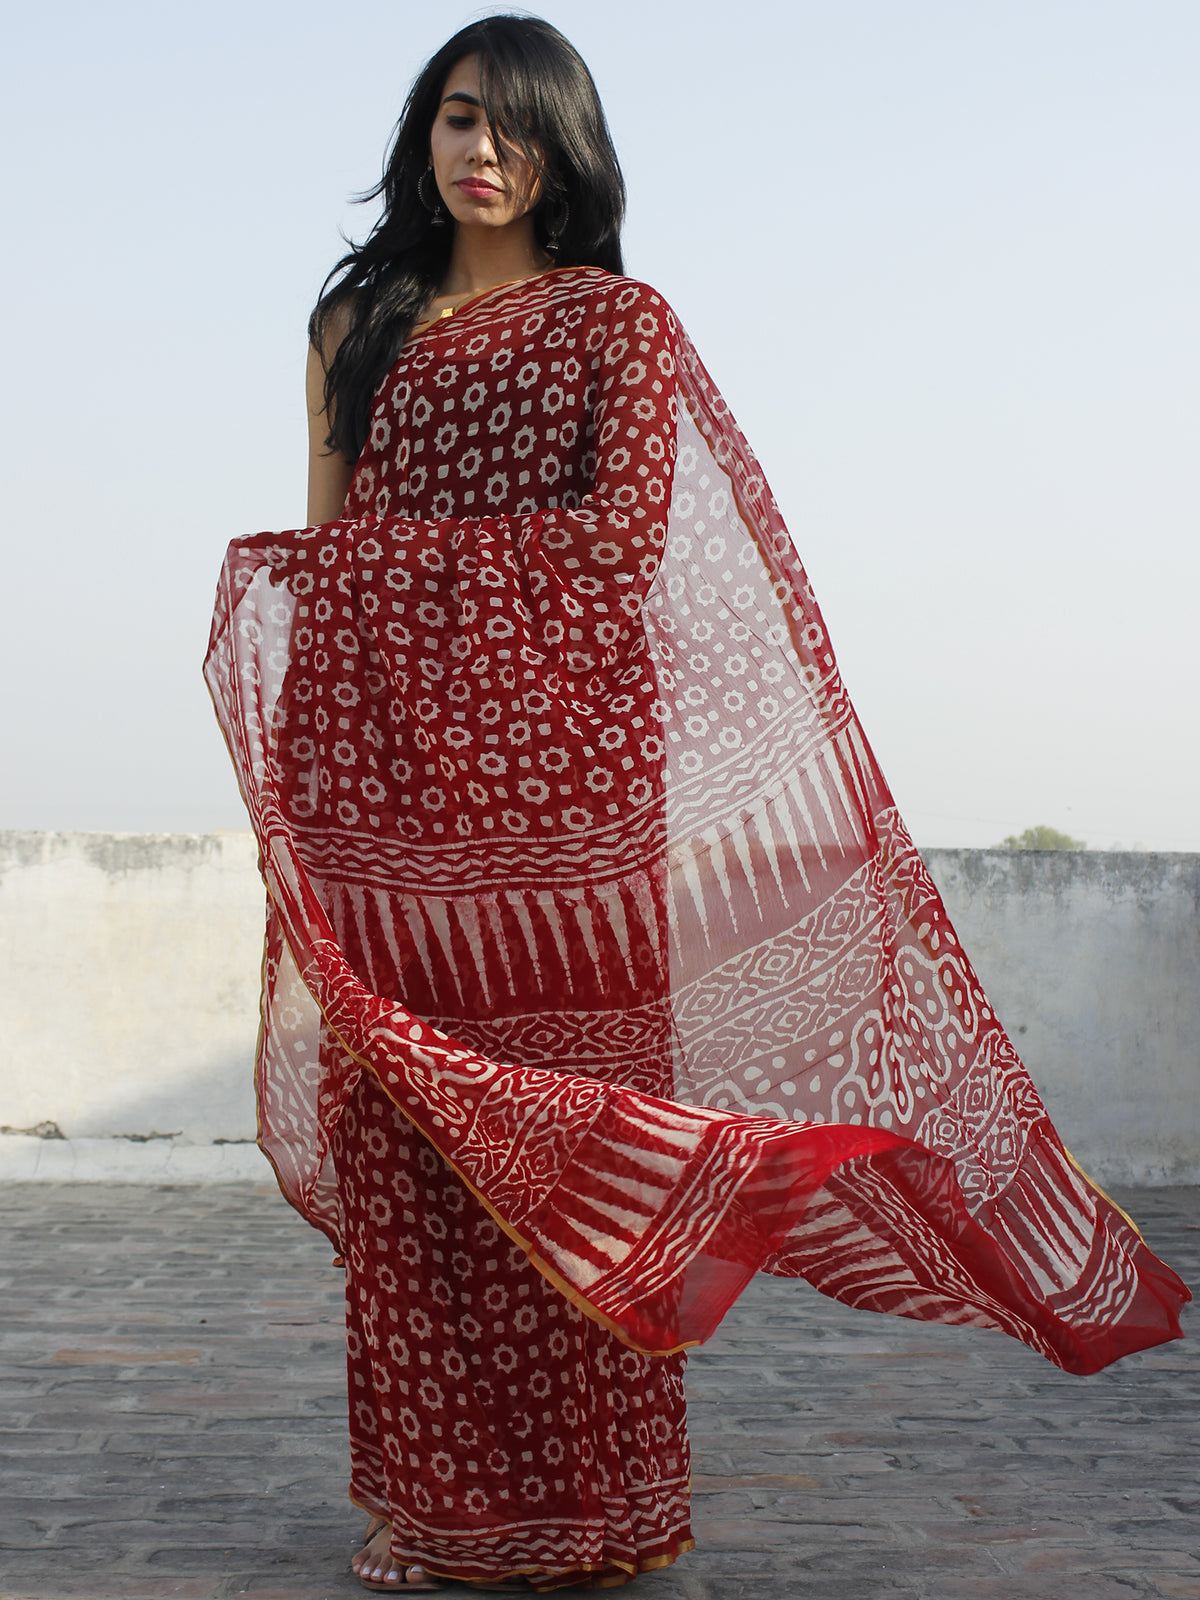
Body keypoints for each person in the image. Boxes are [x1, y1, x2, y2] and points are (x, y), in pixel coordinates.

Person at [205, 15, 1189, 1594]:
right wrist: (311, 772)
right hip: (379, 781)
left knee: (583, 1137)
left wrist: (400, 582)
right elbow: (330, 561)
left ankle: (601, 1509)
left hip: (563, 799)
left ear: (564, 154)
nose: (481, 154)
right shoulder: (355, 322)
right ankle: (434, 1504)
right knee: (407, 1150)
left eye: (514, 129)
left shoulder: (617, 326)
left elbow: (618, 544)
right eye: (458, 119)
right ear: (423, 131)